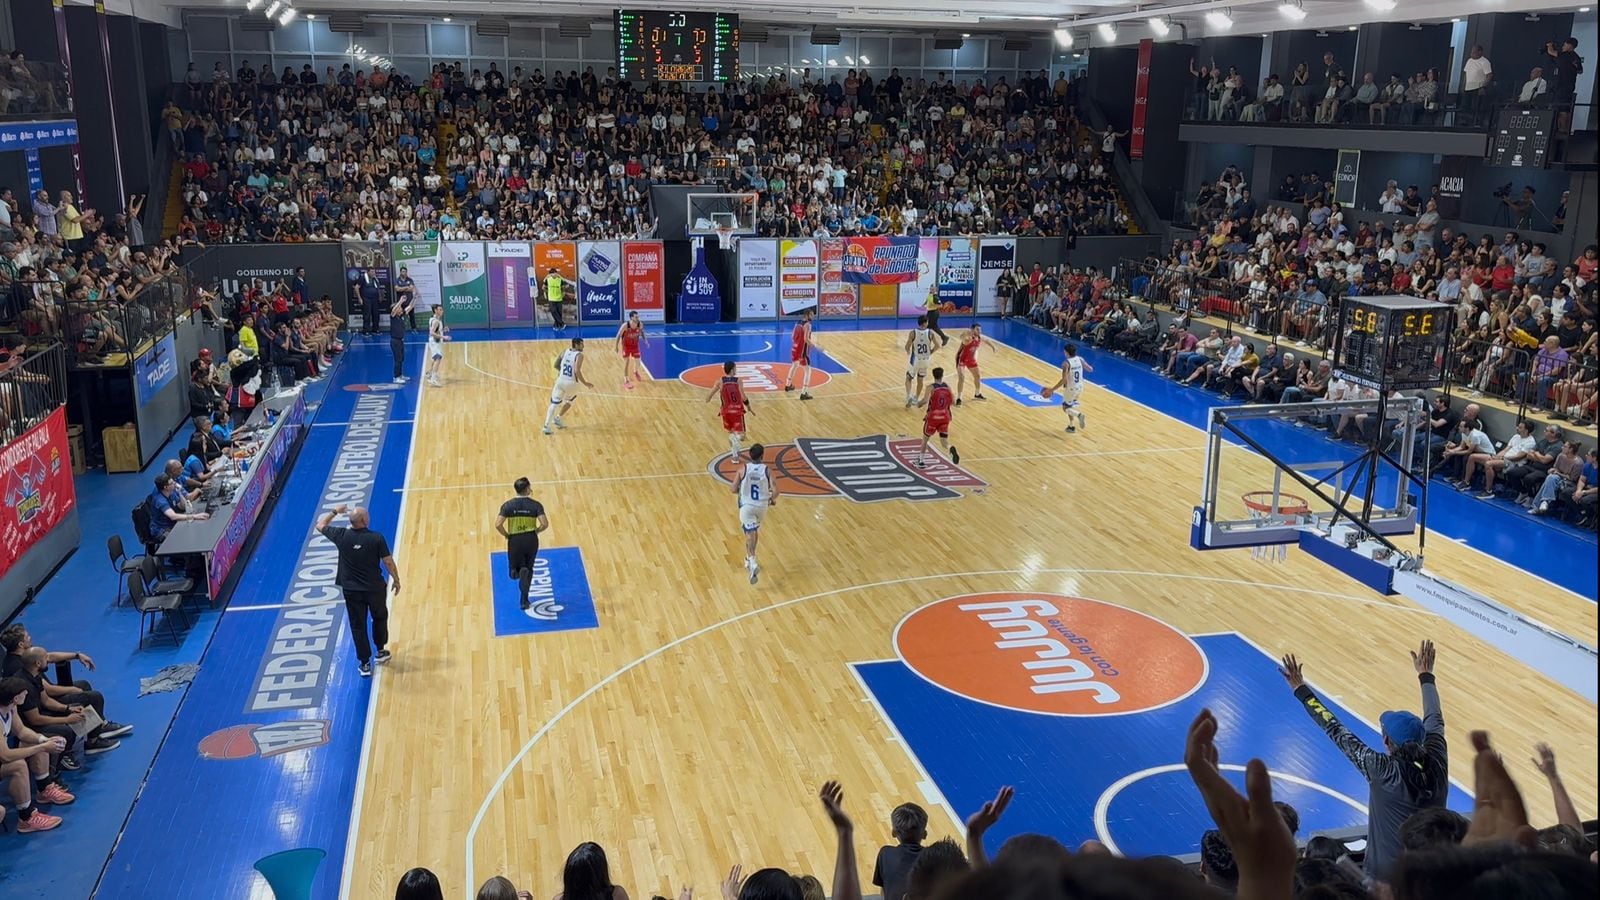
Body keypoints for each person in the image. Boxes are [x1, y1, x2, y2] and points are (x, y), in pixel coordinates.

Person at [1279, 640, 1448, 882]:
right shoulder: (1437, 759)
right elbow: (1435, 718)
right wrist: (1426, 675)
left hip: (1384, 882)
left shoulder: (1380, 770)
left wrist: (1301, 690)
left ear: (1387, 740)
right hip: (1431, 879)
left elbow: (1334, 728)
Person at [314, 504, 402, 677]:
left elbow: (320, 525)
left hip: (351, 591)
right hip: (374, 589)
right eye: (367, 516)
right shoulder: (376, 538)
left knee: (357, 625)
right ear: (363, 521)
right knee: (379, 617)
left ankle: (365, 663)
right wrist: (396, 579)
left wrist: (335, 511)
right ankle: (380, 651)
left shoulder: (341, 535)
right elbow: (388, 562)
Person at [0, 676, 68, 833]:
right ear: (16, 697)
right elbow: (5, 756)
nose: (27, 696)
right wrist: (43, 747)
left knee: (36, 742)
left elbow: (22, 732)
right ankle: (26, 818)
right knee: (18, 765)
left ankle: (44, 790)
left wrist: (44, 740)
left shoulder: (11, 707)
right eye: (25, 693)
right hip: (3, 756)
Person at [494, 477, 550, 612]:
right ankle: (524, 600)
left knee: (514, 570)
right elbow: (545, 524)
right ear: (526, 489)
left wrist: (506, 534)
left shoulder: (508, 506)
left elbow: (498, 524)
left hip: (515, 540)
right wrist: (536, 531)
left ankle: (517, 571)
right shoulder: (536, 505)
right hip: (531, 540)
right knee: (529, 569)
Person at [733, 442, 777, 585]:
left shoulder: (742, 469)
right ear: (762, 456)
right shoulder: (767, 471)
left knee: (749, 534)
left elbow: (733, 489)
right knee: (753, 531)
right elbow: (776, 491)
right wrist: (771, 499)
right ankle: (748, 559)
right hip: (762, 507)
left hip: (747, 506)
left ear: (750, 455)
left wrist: (741, 487)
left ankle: (752, 561)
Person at [873, 802, 929, 900]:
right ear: (924, 834)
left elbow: (884, 892)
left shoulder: (885, 854)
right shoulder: (935, 859)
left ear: (893, 833)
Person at [545, 337, 595, 435]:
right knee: (569, 401)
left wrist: (562, 371)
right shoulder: (579, 355)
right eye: (581, 344)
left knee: (554, 403)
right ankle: (558, 418)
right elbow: (577, 371)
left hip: (560, 380)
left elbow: (556, 365)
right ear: (576, 345)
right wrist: (585, 383)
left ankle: (546, 426)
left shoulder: (565, 351)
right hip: (571, 383)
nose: (583, 346)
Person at [1040, 343, 1092, 433]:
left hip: (1071, 388)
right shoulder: (1080, 359)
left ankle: (1079, 415)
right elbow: (1090, 369)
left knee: (1066, 408)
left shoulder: (1066, 364)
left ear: (1066, 353)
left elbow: (1064, 380)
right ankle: (1071, 427)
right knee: (1069, 405)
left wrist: (1052, 390)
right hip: (1080, 387)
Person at [913, 366, 958, 468]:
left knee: (925, 439)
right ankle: (950, 448)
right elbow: (954, 402)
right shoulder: (947, 387)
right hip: (945, 417)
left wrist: (918, 404)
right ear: (942, 375)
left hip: (933, 417)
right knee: (944, 441)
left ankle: (921, 461)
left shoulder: (931, 387)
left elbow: (924, 401)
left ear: (933, 376)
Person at [706, 360, 752, 458]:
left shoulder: (719, 382)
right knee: (741, 436)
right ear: (732, 370)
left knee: (732, 434)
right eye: (735, 368)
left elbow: (709, 396)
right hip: (737, 411)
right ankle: (736, 440)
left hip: (726, 412)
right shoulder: (738, 381)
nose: (736, 369)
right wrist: (748, 406)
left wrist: (708, 399)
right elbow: (743, 397)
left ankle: (735, 457)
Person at [953, 324, 995, 405]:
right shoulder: (968, 338)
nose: (980, 331)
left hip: (971, 359)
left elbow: (987, 340)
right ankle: (959, 398)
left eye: (980, 330)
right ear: (972, 330)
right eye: (977, 330)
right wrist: (965, 333)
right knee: (961, 378)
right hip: (961, 359)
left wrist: (993, 347)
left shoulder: (979, 337)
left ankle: (977, 393)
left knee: (978, 376)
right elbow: (962, 337)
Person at [904, 315, 936, 407]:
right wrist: (930, 352)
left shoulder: (913, 333)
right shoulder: (931, 333)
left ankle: (908, 396)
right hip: (926, 360)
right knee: (920, 379)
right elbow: (937, 345)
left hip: (916, 359)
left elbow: (907, 347)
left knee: (909, 377)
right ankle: (916, 398)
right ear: (925, 322)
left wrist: (908, 351)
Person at [785, 308, 816, 400]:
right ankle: (804, 392)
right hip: (802, 351)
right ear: (806, 315)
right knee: (808, 370)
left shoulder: (798, 322)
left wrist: (797, 343)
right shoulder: (808, 325)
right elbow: (806, 339)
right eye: (811, 314)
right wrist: (812, 344)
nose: (812, 316)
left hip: (794, 348)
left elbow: (792, 336)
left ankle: (788, 385)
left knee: (794, 365)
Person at [614, 310, 647, 389]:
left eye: (638, 316)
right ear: (631, 318)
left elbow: (642, 332)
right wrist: (616, 346)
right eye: (636, 317)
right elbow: (618, 335)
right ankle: (626, 380)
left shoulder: (640, 324)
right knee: (627, 362)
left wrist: (645, 340)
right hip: (626, 346)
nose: (638, 318)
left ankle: (635, 371)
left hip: (635, 346)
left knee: (638, 362)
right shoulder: (625, 325)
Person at [389, 286, 413, 385]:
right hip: (395, 341)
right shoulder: (393, 317)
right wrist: (400, 301)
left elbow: (410, 307)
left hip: (401, 340)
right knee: (397, 359)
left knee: (401, 358)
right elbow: (394, 310)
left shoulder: (401, 317)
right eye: (399, 308)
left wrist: (414, 298)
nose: (401, 309)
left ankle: (400, 375)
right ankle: (396, 377)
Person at [424, 304, 449, 387]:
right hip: (435, 342)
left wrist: (443, 329)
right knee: (438, 358)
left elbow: (436, 330)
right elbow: (431, 332)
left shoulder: (435, 319)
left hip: (436, 342)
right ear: (435, 310)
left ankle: (430, 373)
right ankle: (433, 379)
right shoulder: (436, 321)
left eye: (442, 309)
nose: (442, 311)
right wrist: (443, 336)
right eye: (440, 309)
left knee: (435, 358)